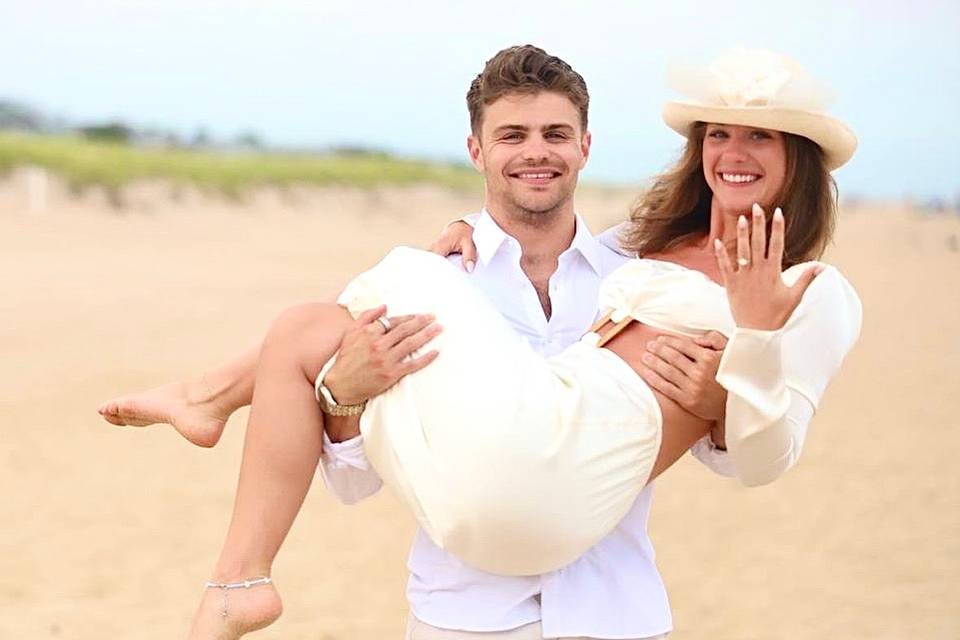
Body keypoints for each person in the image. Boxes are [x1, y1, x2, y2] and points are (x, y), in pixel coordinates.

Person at [105, 46, 861, 640]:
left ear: (586, 146)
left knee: (351, 300)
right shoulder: (644, 248)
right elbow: (358, 477)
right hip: (467, 603)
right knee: (320, 329)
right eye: (719, 133)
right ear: (477, 151)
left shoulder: (811, 289)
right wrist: (344, 394)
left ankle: (210, 419)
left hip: (608, 601)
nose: (734, 152)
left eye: (760, 135)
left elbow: (762, 457)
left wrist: (738, 370)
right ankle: (213, 430)